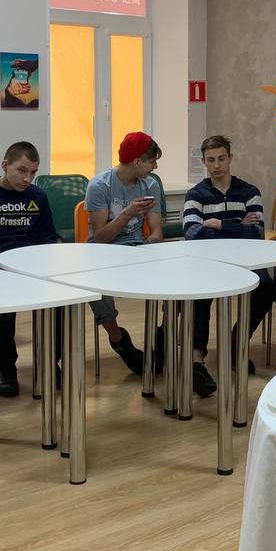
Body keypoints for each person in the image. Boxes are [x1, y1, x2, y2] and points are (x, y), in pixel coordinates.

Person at [181, 135, 276, 396]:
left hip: (246, 260)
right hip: (208, 261)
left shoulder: (249, 191)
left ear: (230, 158)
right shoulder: (196, 194)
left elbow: (257, 233)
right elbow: (192, 233)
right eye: (211, 160)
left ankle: (236, 341)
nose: (217, 165)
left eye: (221, 158)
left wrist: (219, 224)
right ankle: (197, 360)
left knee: (267, 285)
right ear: (203, 162)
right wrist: (238, 225)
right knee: (199, 292)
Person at [0, 140, 59, 397]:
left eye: (33, 172)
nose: (27, 178)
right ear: (5, 165)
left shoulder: (37, 197)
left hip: (32, 269)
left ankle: (50, 360)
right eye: (21, 170)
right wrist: (6, 266)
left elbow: (47, 240)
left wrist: (35, 266)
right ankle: (6, 368)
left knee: (62, 301)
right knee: (3, 308)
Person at [84, 132, 160, 379]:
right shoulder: (99, 185)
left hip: (137, 248)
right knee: (92, 283)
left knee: (179, 276)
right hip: (103, 252)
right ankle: (118, 339)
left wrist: (151, 247)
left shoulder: (151, 184)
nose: (155, 167)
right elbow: (100, 238)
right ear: (137, 161)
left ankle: (164, 335)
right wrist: (128, 213)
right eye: (152, 161)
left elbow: (156, 231)